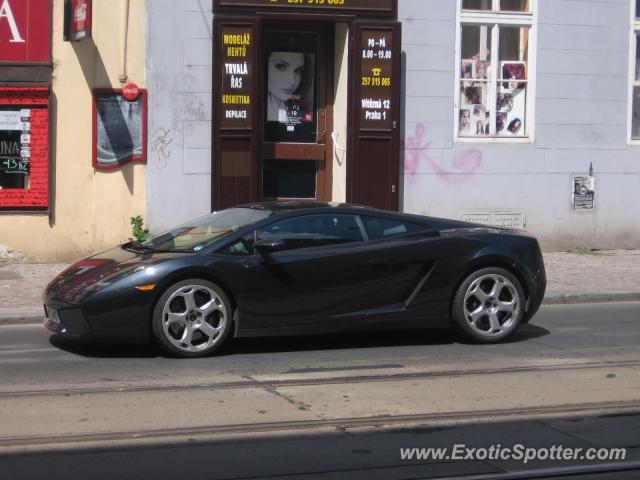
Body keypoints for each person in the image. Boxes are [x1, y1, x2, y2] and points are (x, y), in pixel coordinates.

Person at [267, 51, 308, 122]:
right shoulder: (252, 110)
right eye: (281, 67)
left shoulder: (297, 110)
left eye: (298, 70)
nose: (292, 81)